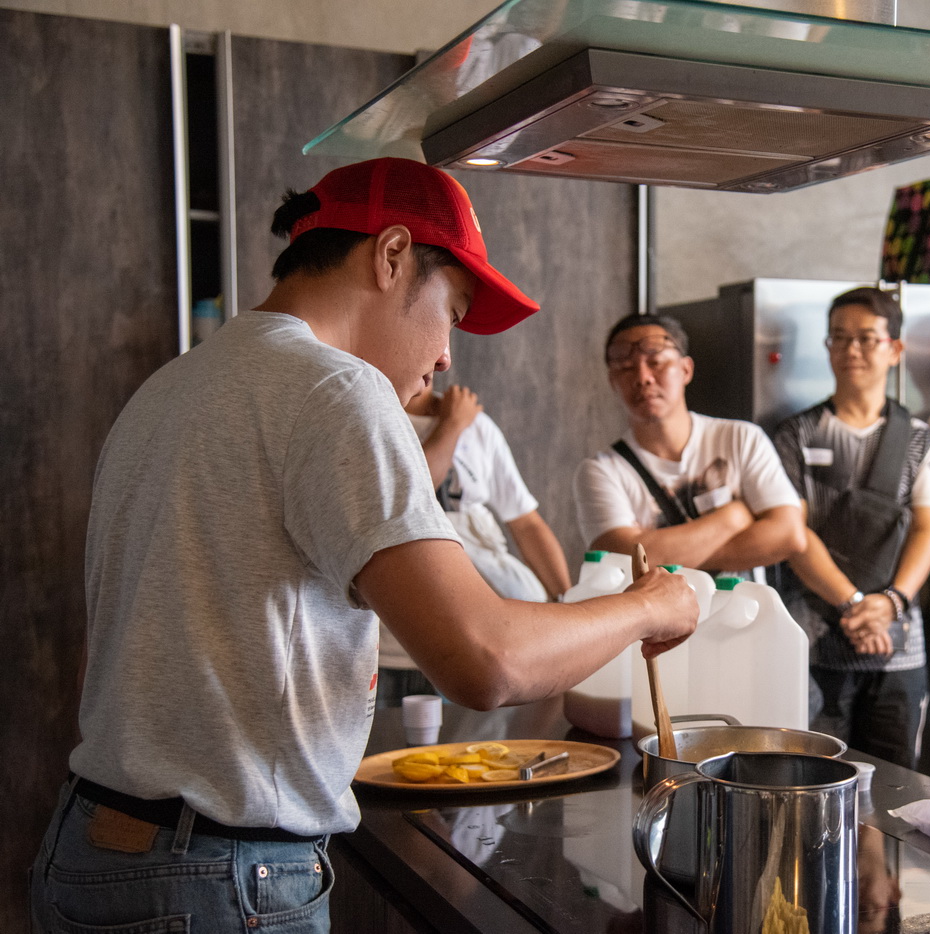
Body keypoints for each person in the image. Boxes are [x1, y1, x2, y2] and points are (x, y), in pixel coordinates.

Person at [30, 157, 698, 933]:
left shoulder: (171, 386)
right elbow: (487, 660)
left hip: (93, 849)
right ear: (391, 256)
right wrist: (650, 606)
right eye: (452, 311)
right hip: (216, 875)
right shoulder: (338, 388)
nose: (446, 356)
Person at [772, 287, 930, 769]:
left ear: (895, 349)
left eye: (867, 338)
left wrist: (891, 602)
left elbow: (927, 530)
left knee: (895, 785)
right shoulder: (796, 434)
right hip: (815, 644)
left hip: (897, 646)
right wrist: (853, 604)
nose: (852, 350)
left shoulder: (920, 439)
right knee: (815, 781)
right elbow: (793, 533)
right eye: (840, 338)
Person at [375, 383, 574, 707]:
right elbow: (408, 498)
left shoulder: (478, 424)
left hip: (487, 647)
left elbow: (526, 523)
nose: (441, 361)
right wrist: (452, 425)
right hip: (395, 652)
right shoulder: (369, 416)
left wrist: (569, 604)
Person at [573, 313, 806, 577]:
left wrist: (664, 555)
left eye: (656, 363)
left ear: (685, 370)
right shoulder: (601, 471)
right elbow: (620, 560)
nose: (643, 377)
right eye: (626, 368)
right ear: (612, 381)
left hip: (745, 605)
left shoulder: (741, 438)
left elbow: (789, 535)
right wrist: (733, 518)